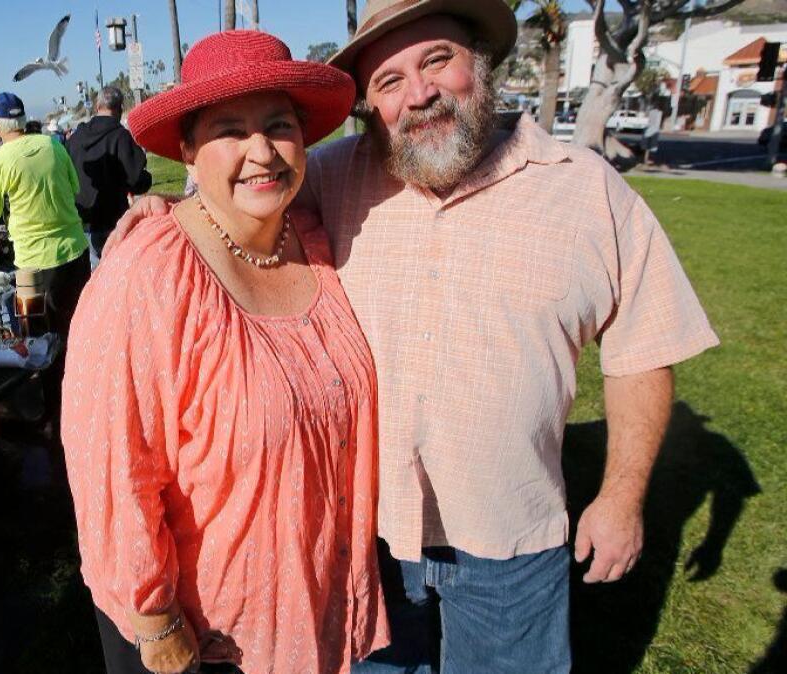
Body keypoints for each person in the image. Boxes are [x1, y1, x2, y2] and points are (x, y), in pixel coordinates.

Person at [119, 2, 720, 671]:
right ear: (372, 105)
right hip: (360, 539)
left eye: (437, 60)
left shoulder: (585, 191)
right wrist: (176, 209)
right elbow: (247, 187)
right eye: (390, 80)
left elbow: (644, 350)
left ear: (480, 63)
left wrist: (620, 497)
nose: (420, 92)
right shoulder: (335, 176)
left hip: (507, 543)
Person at [62, 31, 389, 674]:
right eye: (229, 130)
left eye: (279, 125)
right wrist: (155, 621)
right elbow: (111, 462)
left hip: (317, 600)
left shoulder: (317, 241)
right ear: (187, 149)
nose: (261, 152)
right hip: (215, 636)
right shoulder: (148, 275)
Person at [0, 92, 89, 342]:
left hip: (34, 264)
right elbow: (75, 187)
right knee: (80, 331)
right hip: (75, 252)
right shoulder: (53, 145)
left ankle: (53, 382)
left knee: (40, 343)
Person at [65, 86, 153, 269]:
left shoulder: (75, 137)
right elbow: (137, 180)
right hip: (112, 222)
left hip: (80, 223)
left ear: (97, 106)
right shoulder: (121, 136)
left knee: (92, 279)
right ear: (120, 109)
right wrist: (146, 179)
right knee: (114, 274)